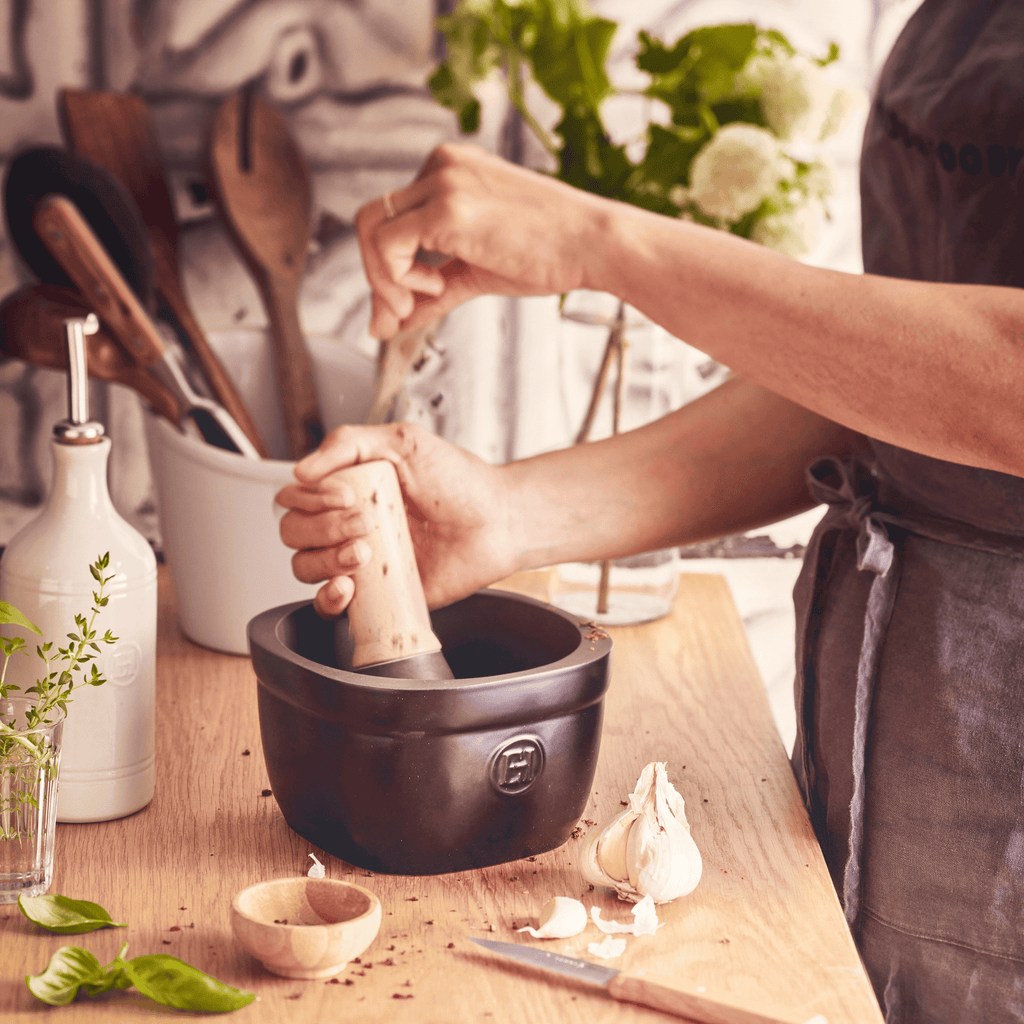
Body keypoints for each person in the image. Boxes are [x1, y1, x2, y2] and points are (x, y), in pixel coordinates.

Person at [275, 3, 1024, 1020]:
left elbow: (1005, 380)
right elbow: (884, 378)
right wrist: (511, 509)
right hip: (891, 734)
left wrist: (601, 241)